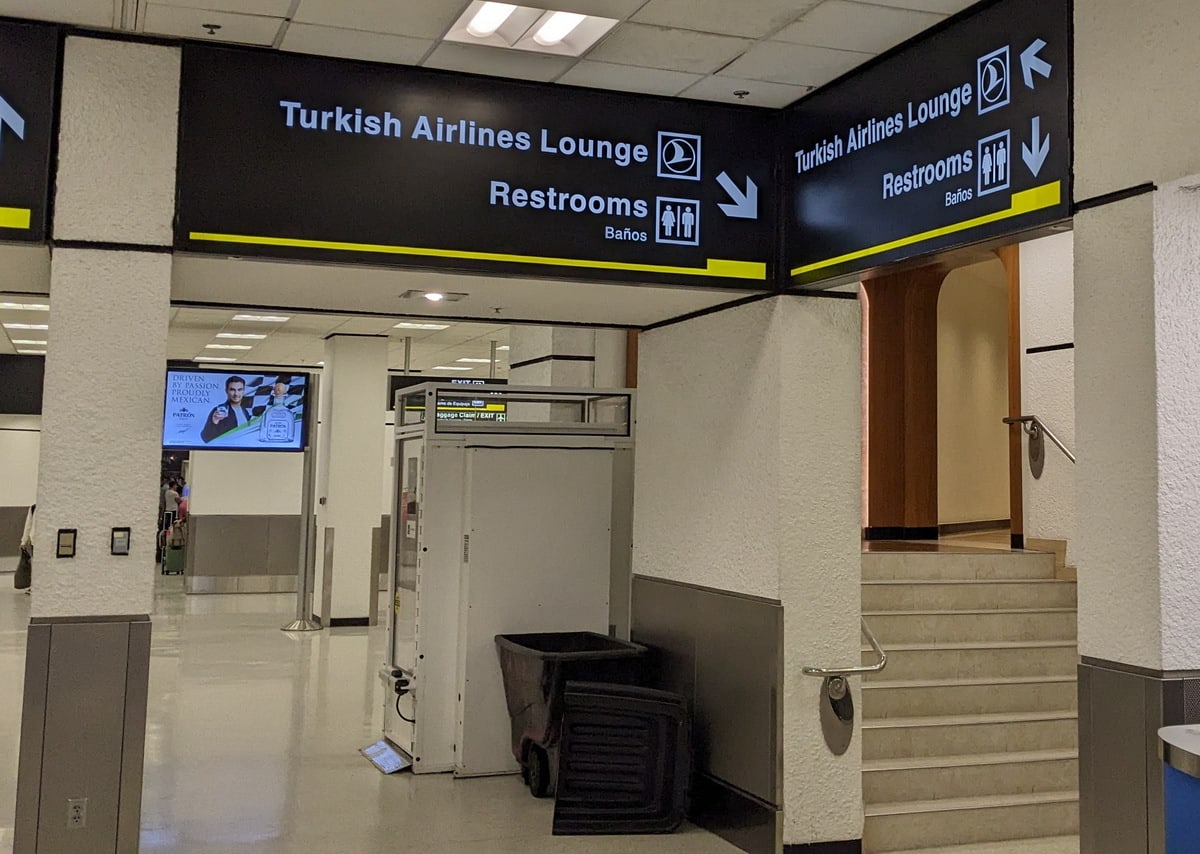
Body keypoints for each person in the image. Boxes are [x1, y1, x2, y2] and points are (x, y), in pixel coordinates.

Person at [201, 375, 252, 443]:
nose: (236, 394)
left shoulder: (245, 411)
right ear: (226, 391)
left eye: (239, 390)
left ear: (243, 391)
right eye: (232, 390)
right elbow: (206, 438)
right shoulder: (219, 410)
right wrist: (214, 422)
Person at [15, 503, 34, 593]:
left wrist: (24, 541)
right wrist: (23, 541)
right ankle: (34, 585)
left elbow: (28, 525)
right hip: (35, 541)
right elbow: (28, 525)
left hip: (40, 541)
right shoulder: (33, 508)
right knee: (36, 565)